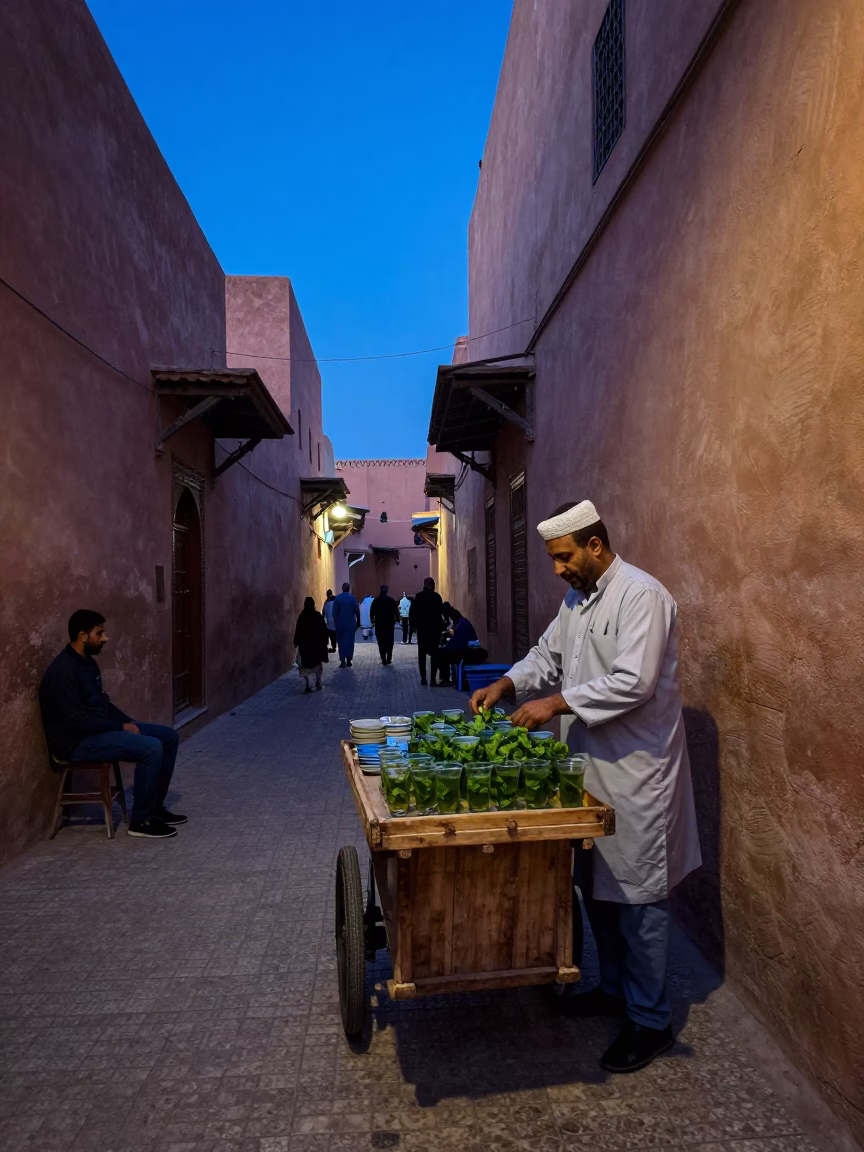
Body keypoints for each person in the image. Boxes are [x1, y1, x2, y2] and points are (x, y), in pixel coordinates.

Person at [470, 500, 701, 1074]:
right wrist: (508, 682)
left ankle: (651, 1022)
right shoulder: (578, 599)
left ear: (594, 546)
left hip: (636, 774)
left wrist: (557, 702)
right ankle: (614, 990)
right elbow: (548, 654)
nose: (557, 570)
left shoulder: (642, 596)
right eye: (553, 559)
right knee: (597, 884)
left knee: (640, 899)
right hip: (586, 769)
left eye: (563, 557)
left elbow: (635, 682)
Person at [39, 609, 183, 840]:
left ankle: (154, 808)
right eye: (100, 633)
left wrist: (126, 721)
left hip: (97, 730)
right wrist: (119, 728)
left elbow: (103, 704)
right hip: (76, 742)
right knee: (151, 747)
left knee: (168, 737)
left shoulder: (88, 663)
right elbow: (77, 721)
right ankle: (141, 820)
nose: (105, 638)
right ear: (83, 635)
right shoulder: (62, 672)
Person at [409, 577, 446, 686]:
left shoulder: (418, 597)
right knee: (434, 655)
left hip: (422, 631)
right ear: (433, 585)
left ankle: (423, 678)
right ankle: (433, 679)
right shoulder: (437, 597)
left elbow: (412, 614)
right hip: (434, 632)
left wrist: (413, 627)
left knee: (422, 655)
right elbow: (441, 613)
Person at [439, 608, 487, 684]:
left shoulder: (462, 624)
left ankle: (446, 679)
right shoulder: (463, 622)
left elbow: (455, 641)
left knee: (442, 654)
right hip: (468, 649)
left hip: (468, 652)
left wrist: (446, 647)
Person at [293, 597, 329, 692]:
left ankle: (307, 685)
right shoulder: (318, 616)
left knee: (304, 667)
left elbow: (298, 631)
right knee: (317, 665)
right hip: (316, 646)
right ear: (313, 604)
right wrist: (325, 641)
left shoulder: (302, 617)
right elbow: (324, 630)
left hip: (305, 647)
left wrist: (296, 642)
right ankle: (318, 681)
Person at [332, 582, 361, 667]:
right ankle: (349, 659)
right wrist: (358, 622)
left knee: (341, 641)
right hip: (350, 623)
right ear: (349, 589)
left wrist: (335, 623)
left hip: (340, 623)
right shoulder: (352, 598)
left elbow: (334, 613)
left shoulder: (337, 598)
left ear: (342, 588)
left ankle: (342, 660)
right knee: (350, 641)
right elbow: (357, 611)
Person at [370, 585, 399, 666]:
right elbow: (396, 611)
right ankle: (389, 658)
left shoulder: (376, 600)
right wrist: (397, 620)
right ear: (387, 591)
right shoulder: (391, 600)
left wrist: (372, 620)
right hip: (389, 624)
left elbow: (372, 612)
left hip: (379, 624)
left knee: (381, 641)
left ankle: (383, 659)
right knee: (389, 641)